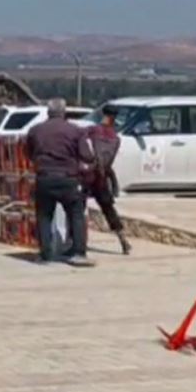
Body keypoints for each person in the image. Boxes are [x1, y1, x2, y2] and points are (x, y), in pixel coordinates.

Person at [25, 98, 95, 266]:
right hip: (68, 178)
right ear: (64, 112)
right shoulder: (75, 131)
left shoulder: (35, 130)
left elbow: (28, 153)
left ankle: (45, 255)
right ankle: (78, 253)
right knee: (76, 214)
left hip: (45, 177)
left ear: (48, 112)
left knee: (44, 216)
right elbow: (87, 155)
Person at [86, 105, 131, 255]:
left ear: (103, 114)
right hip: (103, 176)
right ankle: (122, 238)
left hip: (87, 174)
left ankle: (75, 239)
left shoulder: (93, 131)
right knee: (108, 209)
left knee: (76, 206)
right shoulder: (115, 138)